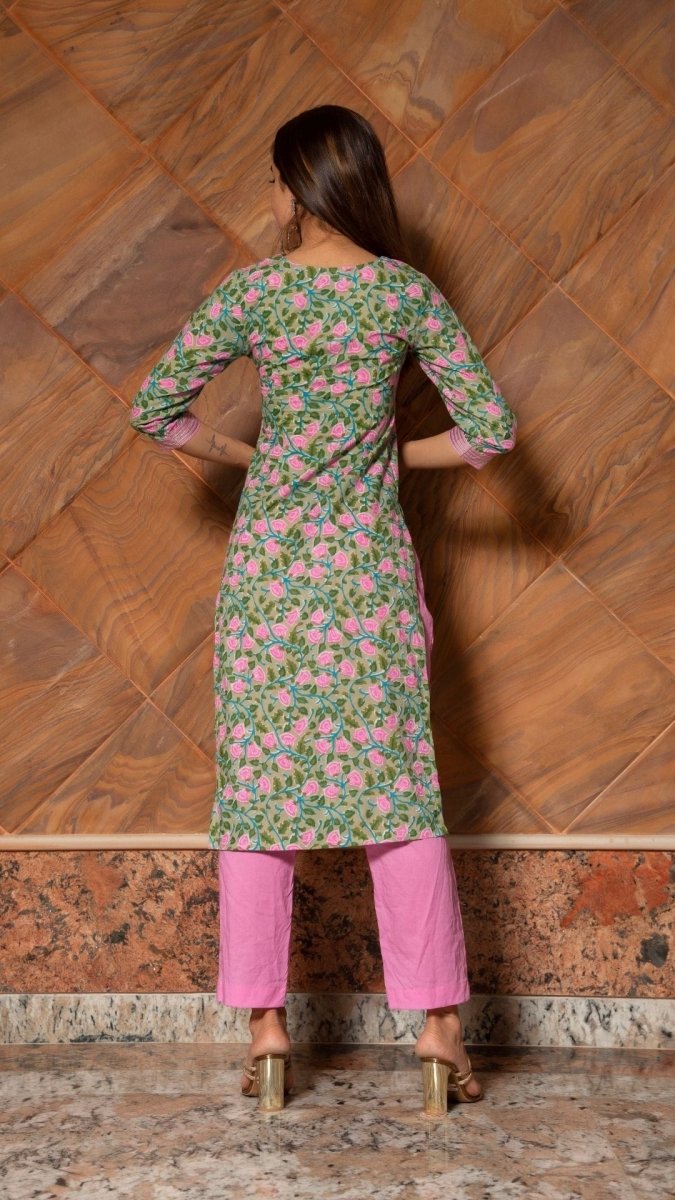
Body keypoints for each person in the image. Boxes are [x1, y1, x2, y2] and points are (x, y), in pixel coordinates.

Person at [129, 105, 517, 1115]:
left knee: (257, 802)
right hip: (367, 580)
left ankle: (266, 1031)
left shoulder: (254, 293)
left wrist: (249, 456)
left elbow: (156, 408)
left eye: (272, 181)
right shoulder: (404, 294)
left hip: (269, 582)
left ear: (297, 189)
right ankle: (436, 1030)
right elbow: (489, 433)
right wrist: (390, 456)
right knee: (400, 801)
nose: (270, 199)